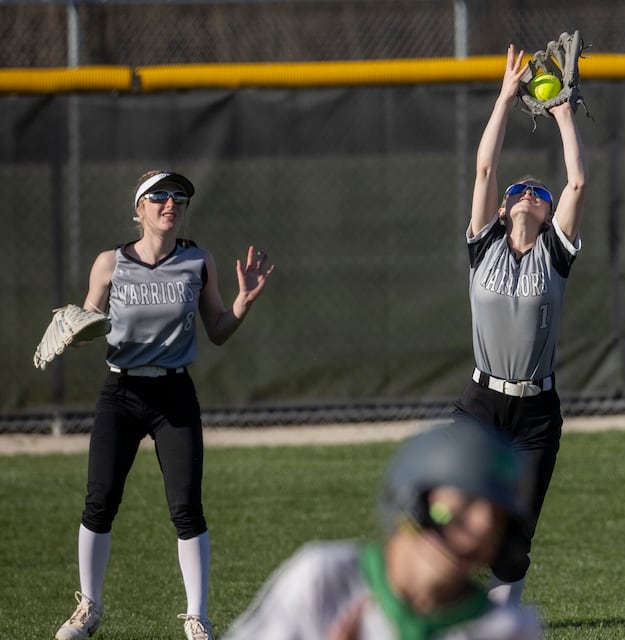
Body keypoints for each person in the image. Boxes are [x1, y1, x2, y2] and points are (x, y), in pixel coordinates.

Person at [54, 169, 274, 640]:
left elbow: (216, 329)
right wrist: (75, 331)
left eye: (179, 197)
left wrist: (242, 305)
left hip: (173, 394)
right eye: (159, 196)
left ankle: (198, 617)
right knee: (100, 500)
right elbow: (85, 324)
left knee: (186, 506)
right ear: (139, 209)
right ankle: (88, 607)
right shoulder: (109, 264)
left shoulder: (198, 261)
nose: (170, 203)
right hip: (122, 392)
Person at [454, 43, 588, 606]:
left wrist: (561, 114)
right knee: (457, 524)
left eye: (539, 191)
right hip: (482, 405)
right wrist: (507, 97)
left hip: (536, 415)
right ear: (505, 209)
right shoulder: (483, 245)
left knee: (513, 543)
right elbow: (485, 167)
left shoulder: (555, 255)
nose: (528, 192)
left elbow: (577, 182)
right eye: (519, 191)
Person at [220, 415, 544, 640]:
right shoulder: (324, 580)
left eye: (500, 518)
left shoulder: (508, 630)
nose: (484, 525)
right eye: (466, 503)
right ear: (411, 499)